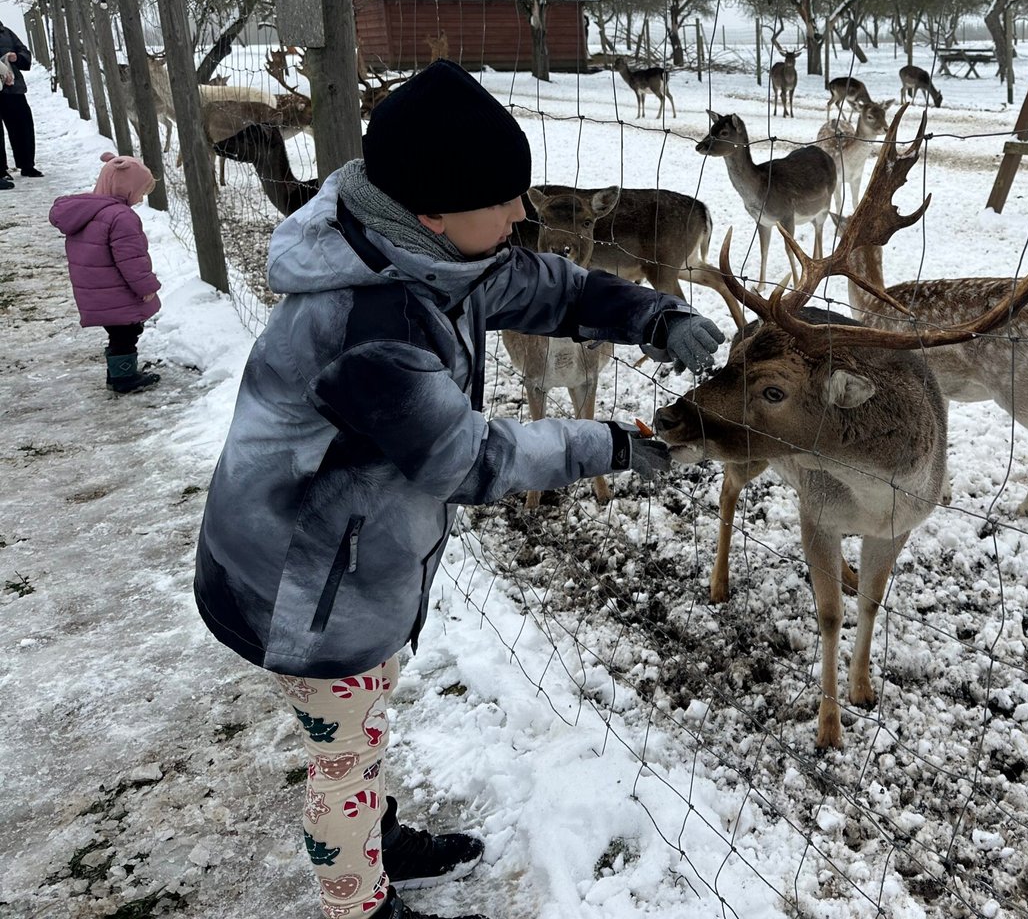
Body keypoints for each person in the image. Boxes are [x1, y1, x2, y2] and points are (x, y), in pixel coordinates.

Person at [192, 60, 724, 919]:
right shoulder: (373, 326)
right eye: (503, 200)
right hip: (298, 586)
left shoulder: (424, 252)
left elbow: (543, 283)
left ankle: (375, 836)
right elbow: (468, 460)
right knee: (343, 761)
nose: (521, 216)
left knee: (359, 729)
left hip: (346, 561)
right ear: (434, 211)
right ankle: (359, 902)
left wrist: (650, 315)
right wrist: (616, 444)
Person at [49, 152, 162, 394]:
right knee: (126, 333)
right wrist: (146, 287)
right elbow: (131, 260)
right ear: (125, 188)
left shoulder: (87, 211)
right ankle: (124, 378)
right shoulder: (121, 217)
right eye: (140, 192)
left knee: (119, 333)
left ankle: (118, 373)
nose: (140, 199)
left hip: (96, 290)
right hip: (117, 292)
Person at [0, 18, 39, 185]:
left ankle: (27, 165)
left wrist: (17, 57)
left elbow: (24, 53)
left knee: (23, 125)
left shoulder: (6, 33)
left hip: (12, 87)